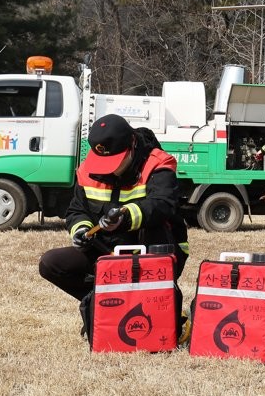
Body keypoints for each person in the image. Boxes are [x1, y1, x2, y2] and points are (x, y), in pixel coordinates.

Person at [39, 114, 189, 305]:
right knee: (50, 264)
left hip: (154, 250)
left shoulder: (158, 163)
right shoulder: (87, 169)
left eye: (115, 162)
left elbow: (163, 205)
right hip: (105, 251)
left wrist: (125, 216)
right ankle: (102, 304)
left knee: (154, 230)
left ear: (132, 145)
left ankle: (159, 309)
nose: (108, 170)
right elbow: (77, 210)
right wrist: (81, 230)